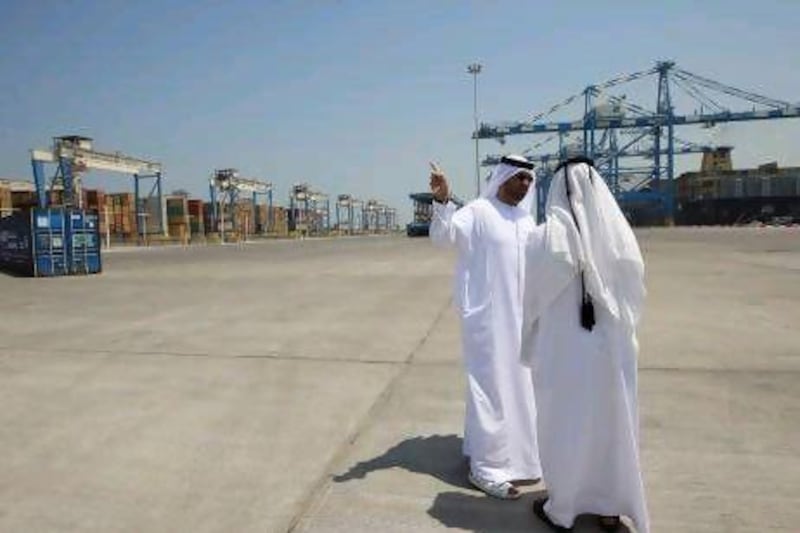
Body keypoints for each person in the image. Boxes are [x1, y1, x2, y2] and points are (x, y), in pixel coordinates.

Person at [521, 157, 649, 532]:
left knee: (567, 426)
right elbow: (634, 295)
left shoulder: (544, 239)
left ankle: (564, 508)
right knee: (613, 425)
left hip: (564, 354)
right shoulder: (620, 236)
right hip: (614, 351)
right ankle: (610, 508)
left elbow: (530, 303)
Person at [428, 155, 541, 499]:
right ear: (501, 178)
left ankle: (521, 460)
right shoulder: (479, 211)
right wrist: (442, 200)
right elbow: (443, 237)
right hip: (488, 323)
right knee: (490, 390)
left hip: (523, 323)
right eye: (518, 177)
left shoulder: (526, 220)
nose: (524, 184)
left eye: (528, 179)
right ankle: (486, 468)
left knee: (522, 390)